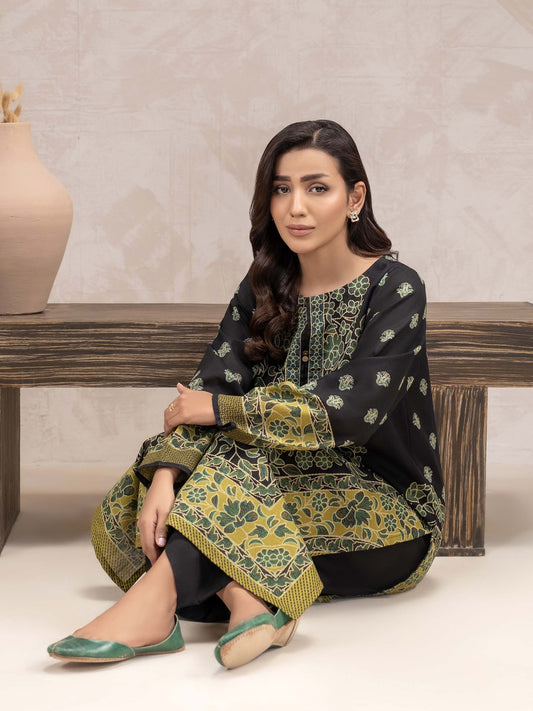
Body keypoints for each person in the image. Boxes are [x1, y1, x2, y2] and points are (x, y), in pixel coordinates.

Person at [47, 119, 445, 669]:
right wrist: (168, 474)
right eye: (281, 189)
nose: (295, 208)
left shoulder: (395, 288)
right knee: (142, 498)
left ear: (355, 198)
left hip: (388, 513)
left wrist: (220, 411)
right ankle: (250, 601)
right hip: (274, 488)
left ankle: (153, 608)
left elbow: (351, 411)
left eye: (317, 188)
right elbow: (213, 381)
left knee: (228, 465)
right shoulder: (264, 286)